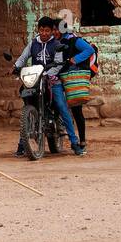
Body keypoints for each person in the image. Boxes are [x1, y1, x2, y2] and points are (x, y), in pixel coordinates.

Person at [14, 16, 84, 156]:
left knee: (61, 106)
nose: (44, 33)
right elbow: (23, 57)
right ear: (38, 30)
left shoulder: (56, 44)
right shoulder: (33, 43)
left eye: (47, 30)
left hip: (52, 80)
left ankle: (74, 142)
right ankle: (22, 144)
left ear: (52, 31)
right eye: (41, 30)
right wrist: (16, 66)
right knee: (26, 102)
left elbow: (58, 63)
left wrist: (49, 73)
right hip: (36, 78)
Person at [54, 24, 97, 151]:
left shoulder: (74, 40)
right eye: (54, 29)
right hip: (57, 75)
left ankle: (82, 140)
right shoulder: (54, 42)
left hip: (71, 77)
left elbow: (90, 50)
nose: (55, 32)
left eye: (57, 29)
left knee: (76, 109)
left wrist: (75, 59)